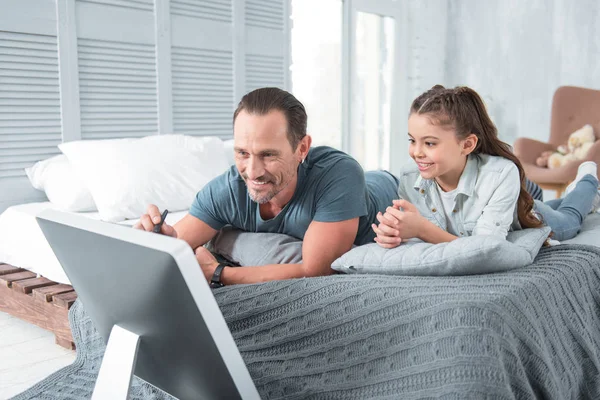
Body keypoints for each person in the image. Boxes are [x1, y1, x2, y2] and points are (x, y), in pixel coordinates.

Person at [134, 87, 399, 285]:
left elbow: (316, 270)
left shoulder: (339, 175)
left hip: (385, 186)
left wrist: (219, 273)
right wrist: (156, 242)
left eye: (268, 155)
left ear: (302, 148)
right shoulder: (227, 190)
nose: (253, 172)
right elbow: (170, 248)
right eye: (242, 153)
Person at [372, 85, 600, 248]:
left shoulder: (500, 173)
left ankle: (586, 182)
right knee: (551, 204)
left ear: (467, 144)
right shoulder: (410, 177)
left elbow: (485, 248)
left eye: (430, 143)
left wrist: (421, 229)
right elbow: (421, 235)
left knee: (570, 219)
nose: (417, 152)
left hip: (528, 216)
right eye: (412, 140)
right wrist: (394, 234)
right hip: (513, 202)